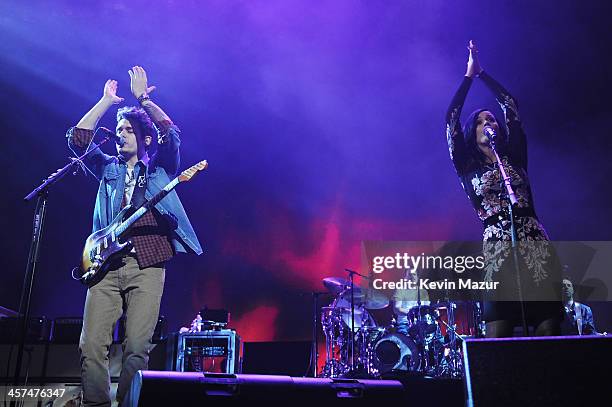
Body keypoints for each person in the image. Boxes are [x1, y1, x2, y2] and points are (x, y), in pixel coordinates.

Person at [66, 66, 203, 406]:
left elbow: (171, 135)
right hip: (104, 265)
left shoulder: (157, 170)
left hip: (148, 262)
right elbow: (77, 139)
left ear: (144, 139)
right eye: (119, 130)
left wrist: (143, 100)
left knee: (137, 349)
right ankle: (97, 403)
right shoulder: (107, 169)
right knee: (91, 344)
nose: (121, 135)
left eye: (129, 130)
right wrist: (105, 103)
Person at [445, 41, 562, 338]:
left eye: (492, 120)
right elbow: (451, 120)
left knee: (548, 324)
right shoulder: (466, 165)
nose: (489, 123)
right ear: (473, 133)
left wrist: (484, 74)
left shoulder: (514, 155)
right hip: (497, 249)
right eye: (482, 121)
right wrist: (469, 78)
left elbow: (510, 103)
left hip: (534, 242)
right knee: (499, 329)